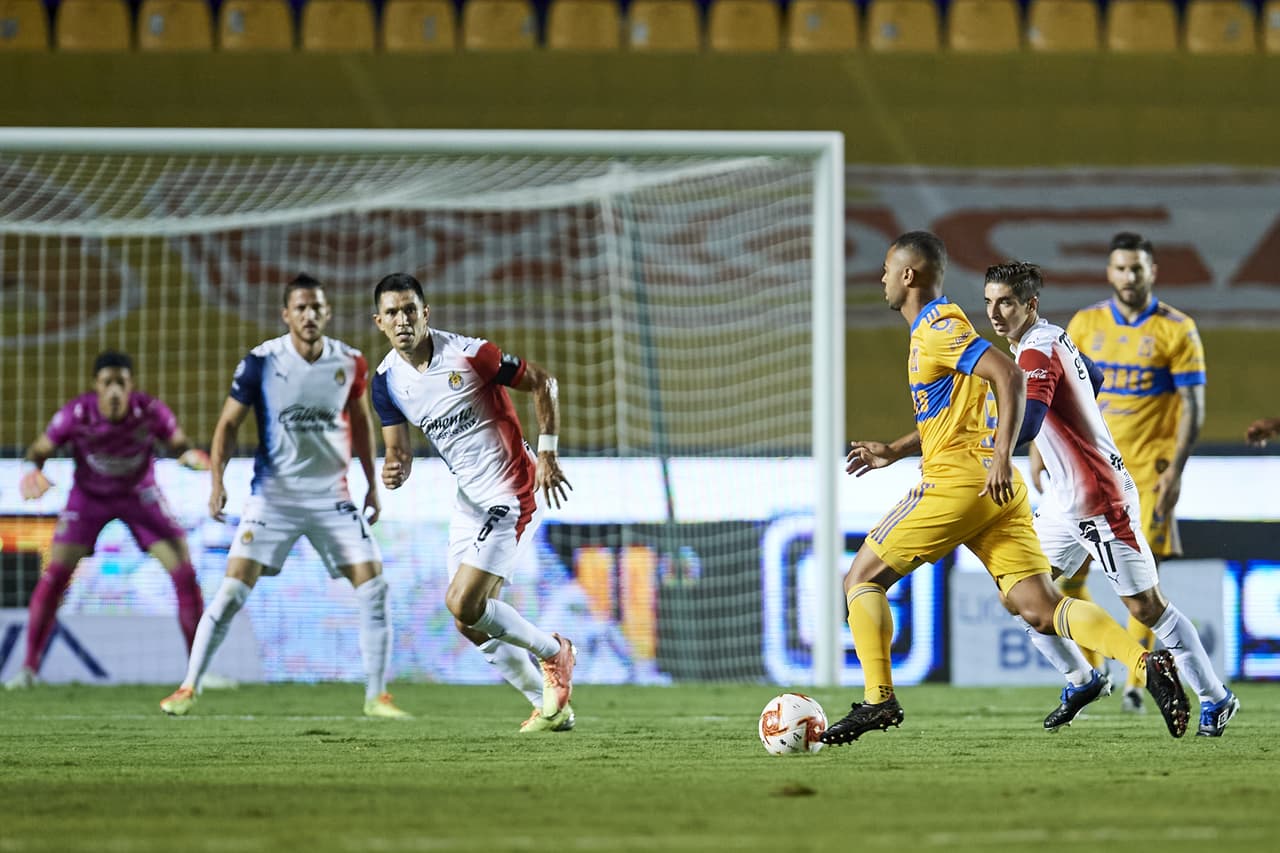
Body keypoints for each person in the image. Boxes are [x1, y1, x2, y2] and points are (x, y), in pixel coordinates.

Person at [819, 232, 1189, 747]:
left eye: (886, 268)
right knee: (1040, 606)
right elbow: (957, 413)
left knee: (860, 579)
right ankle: (1145, 662)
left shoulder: (936, 330)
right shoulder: (950, 327)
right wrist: (895, 449)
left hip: (959, 483)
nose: (880, 277)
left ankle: (879, 700)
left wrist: (998, 458)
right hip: (996, 491)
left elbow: (1010, 377)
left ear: (908, 276)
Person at [984, 262, 1238, 736]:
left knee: (1147, 608)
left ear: (1029, 304)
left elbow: (1031, 420)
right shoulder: (1051, 337)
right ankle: (1084, 678)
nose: (995, 313)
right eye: (989, 302)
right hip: (1065, 499)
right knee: (1015, 595)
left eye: (1006, 303)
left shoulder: (1036, 354)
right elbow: (1094, 378)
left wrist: (988, 448)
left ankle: (1216, 697)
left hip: (1099, 498)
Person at [159, 274, 408, 719]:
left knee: (374, 587)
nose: (309, 315)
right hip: (273, 498)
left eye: (317, 308)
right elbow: (228, 426)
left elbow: (362, 421)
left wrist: (372, 482)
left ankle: (377, 697)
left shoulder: (349, 361)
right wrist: (217, 482)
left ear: (327, 313)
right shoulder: (260, 361)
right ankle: (188, 686)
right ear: (286, 314)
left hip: (333, 496)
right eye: (301, 308)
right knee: (233, 591)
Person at [369, 272, 577, 733]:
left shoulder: (470, 354)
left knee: (463, 602)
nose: (402, 320)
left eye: (410, 310)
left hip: (513, 492)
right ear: (379, 321)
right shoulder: (385, 382)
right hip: (469, 502)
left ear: (426, 314)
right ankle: (550, 709)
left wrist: (546, 451)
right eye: (392, 313)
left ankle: (554, 652)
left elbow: (544, 383)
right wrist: (394, 469)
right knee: (469, 622)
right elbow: (397, 452)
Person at [1037, 232, 1207, 714]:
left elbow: (1193, 407)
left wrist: (1176, 469)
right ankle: (1102, 669)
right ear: (1108, 273)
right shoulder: (1086, 323)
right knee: (1060, 582)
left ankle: (1137, 682)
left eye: (1137, 268)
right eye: (1121, 268)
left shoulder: (1178, 328)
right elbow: (1054, 390)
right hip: (1085, 470)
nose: (1129, 276)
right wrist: (1040, 453)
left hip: (1148, 473)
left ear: (1153, 272)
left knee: (1143, 589)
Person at [5, 352, 209, 690]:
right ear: (95, 386)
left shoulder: (151, 411)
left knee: (184, 573)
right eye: (107, 383)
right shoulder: (76, 413)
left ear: (131, 385)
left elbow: (180, 444)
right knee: (55, 575)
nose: (114, 390)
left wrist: (190, 456)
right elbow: (38, 450)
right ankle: (28, 670)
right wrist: (31, 472)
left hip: (140, 497)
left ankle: (198, 673)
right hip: (88, 500)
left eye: (121, 383)